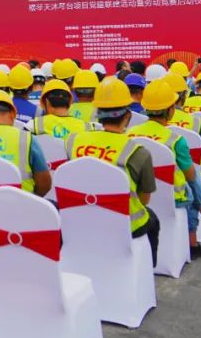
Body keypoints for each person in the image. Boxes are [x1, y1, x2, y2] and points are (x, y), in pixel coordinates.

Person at [131, 80, 201, 258]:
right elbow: (190, 173)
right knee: (193, 186)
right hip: (172, 196)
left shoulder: (129, 133)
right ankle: (196, 240)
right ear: (171, 110)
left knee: (192, 184)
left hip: (138, 192)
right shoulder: (176, 139)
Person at [65, 79, 159, 266]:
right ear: (128, 116)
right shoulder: (138, 152)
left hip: (79, 220)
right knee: (153, 220)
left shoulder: (72, 141)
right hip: (125, 226)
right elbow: (144, 199)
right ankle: (147, 270)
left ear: (97, 114)